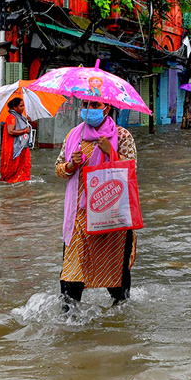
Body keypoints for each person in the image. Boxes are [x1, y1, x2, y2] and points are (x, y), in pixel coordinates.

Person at [56, 98, 137, 306]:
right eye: (84, 105)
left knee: (116, 278)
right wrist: (71, 165)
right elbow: (59, 169)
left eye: (94, 105)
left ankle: (120, 323)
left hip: (111, 214)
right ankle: (70, 327)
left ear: (106, 108)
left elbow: (131, 171)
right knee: (71, 276)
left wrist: (111, 152)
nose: (88, 110)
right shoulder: (74, 136)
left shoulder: (122, 136)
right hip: (79, 215)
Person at [0, 97, 32, 183]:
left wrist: (27, 121)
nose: (23, 108)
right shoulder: (11, 117)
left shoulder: (21, 117)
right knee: (13, 168)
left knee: (24, 167)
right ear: (15, 107)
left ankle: (21, 183)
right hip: (14, 147)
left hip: (22, 146)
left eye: (23, 106)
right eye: (21, 106)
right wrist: (25, 131)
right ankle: (12, 182)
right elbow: (10, 131)